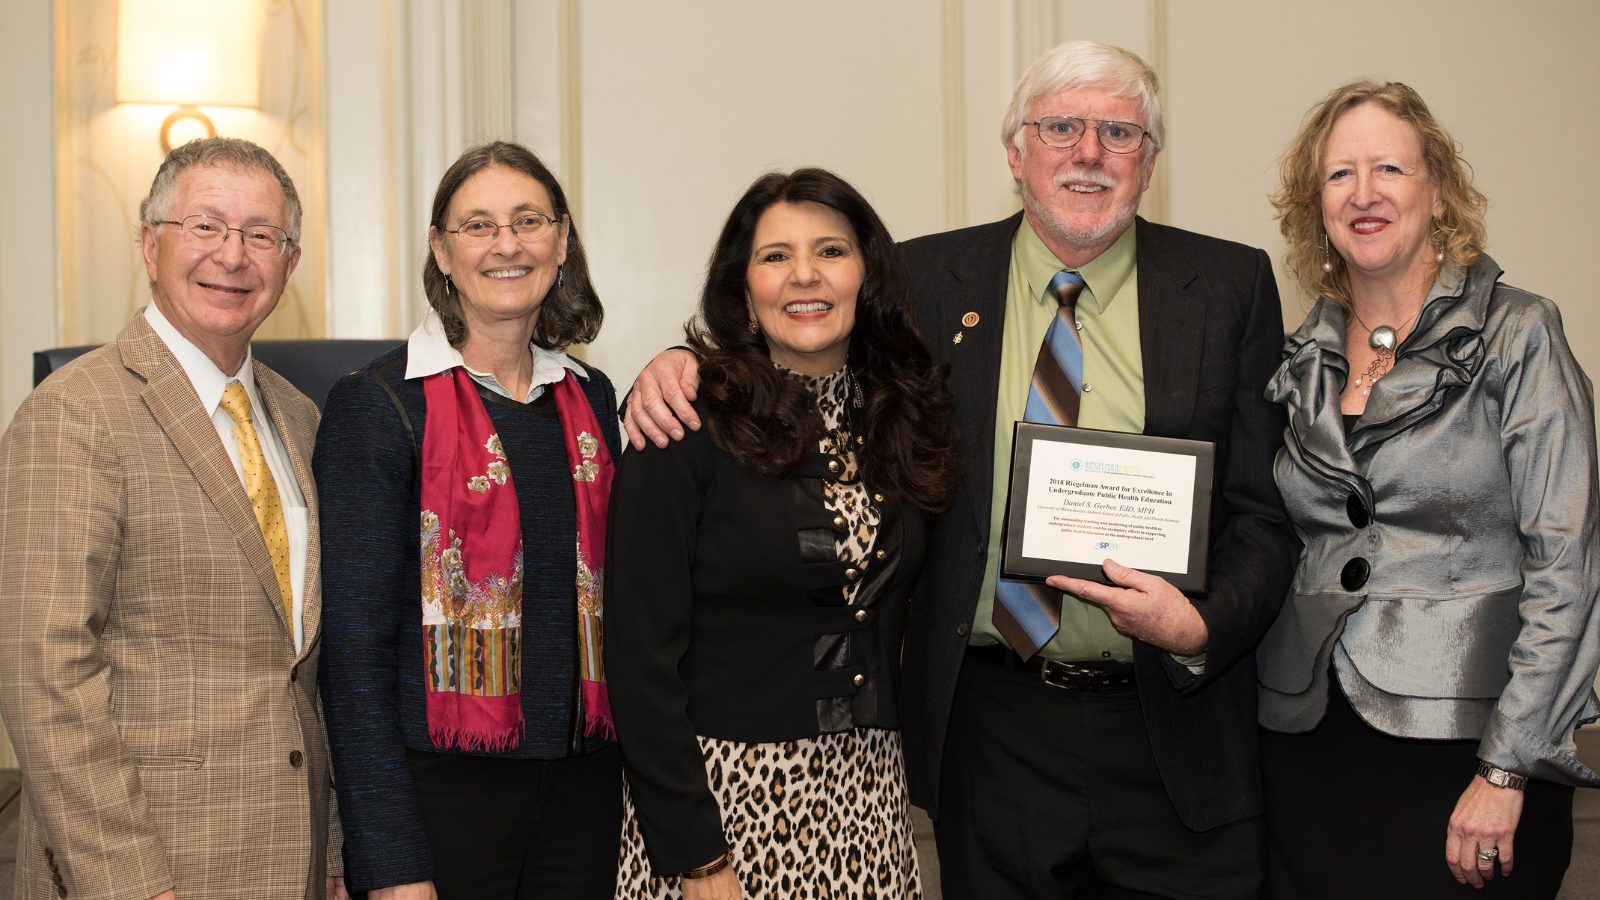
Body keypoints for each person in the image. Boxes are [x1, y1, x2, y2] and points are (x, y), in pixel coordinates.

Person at [623, 41, 1299, 899]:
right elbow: (798, 344)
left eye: (1119, 133)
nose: (1088, 152)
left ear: (1152, 160)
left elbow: (1263, 515)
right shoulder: (926, 281)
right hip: (991, 729)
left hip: (1172, 726)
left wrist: (1202, 629)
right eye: (1061, 128)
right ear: (1015, 153)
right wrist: (676, 370)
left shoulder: (1231, 285)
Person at [1258, 80, 1600, 898]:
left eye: (1389, 169)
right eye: (1340, 175)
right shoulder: (1296, 358)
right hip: (1306, 748)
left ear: (1437, 190)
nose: (1364, 194)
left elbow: (1570, 564)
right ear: (1317, 204)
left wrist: (1509, 768)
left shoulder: (1519, 334)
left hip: (1469, 756)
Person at [0, 138, 345, 900]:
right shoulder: (73, 413)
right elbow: (43, 672)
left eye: (262, 235)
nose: (233, 256)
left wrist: (338, 854)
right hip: (146, 866)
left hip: (292, 860)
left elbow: (308, 675)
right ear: (150, 243)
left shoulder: (300, 417)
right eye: (206, 227)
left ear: (289, 266)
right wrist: (129, 882)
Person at [606, 167, 956, 899]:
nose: (806, 276)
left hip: (869, 808)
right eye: (775, 256)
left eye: (831, 251)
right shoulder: (681, 424)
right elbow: (639, 663)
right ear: (743, 289)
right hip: (723, 815)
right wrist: (698, 856)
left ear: (867, 273)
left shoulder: (905, 419)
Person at [312, 140, 621, 899]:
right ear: (441, 252)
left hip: (588, 792)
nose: (507, 244)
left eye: (528, 220)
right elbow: (352, 660)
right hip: (439, 800)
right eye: (478, 226)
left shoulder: (593, 397)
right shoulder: (380, 406)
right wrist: (389, 860)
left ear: (562, 239)